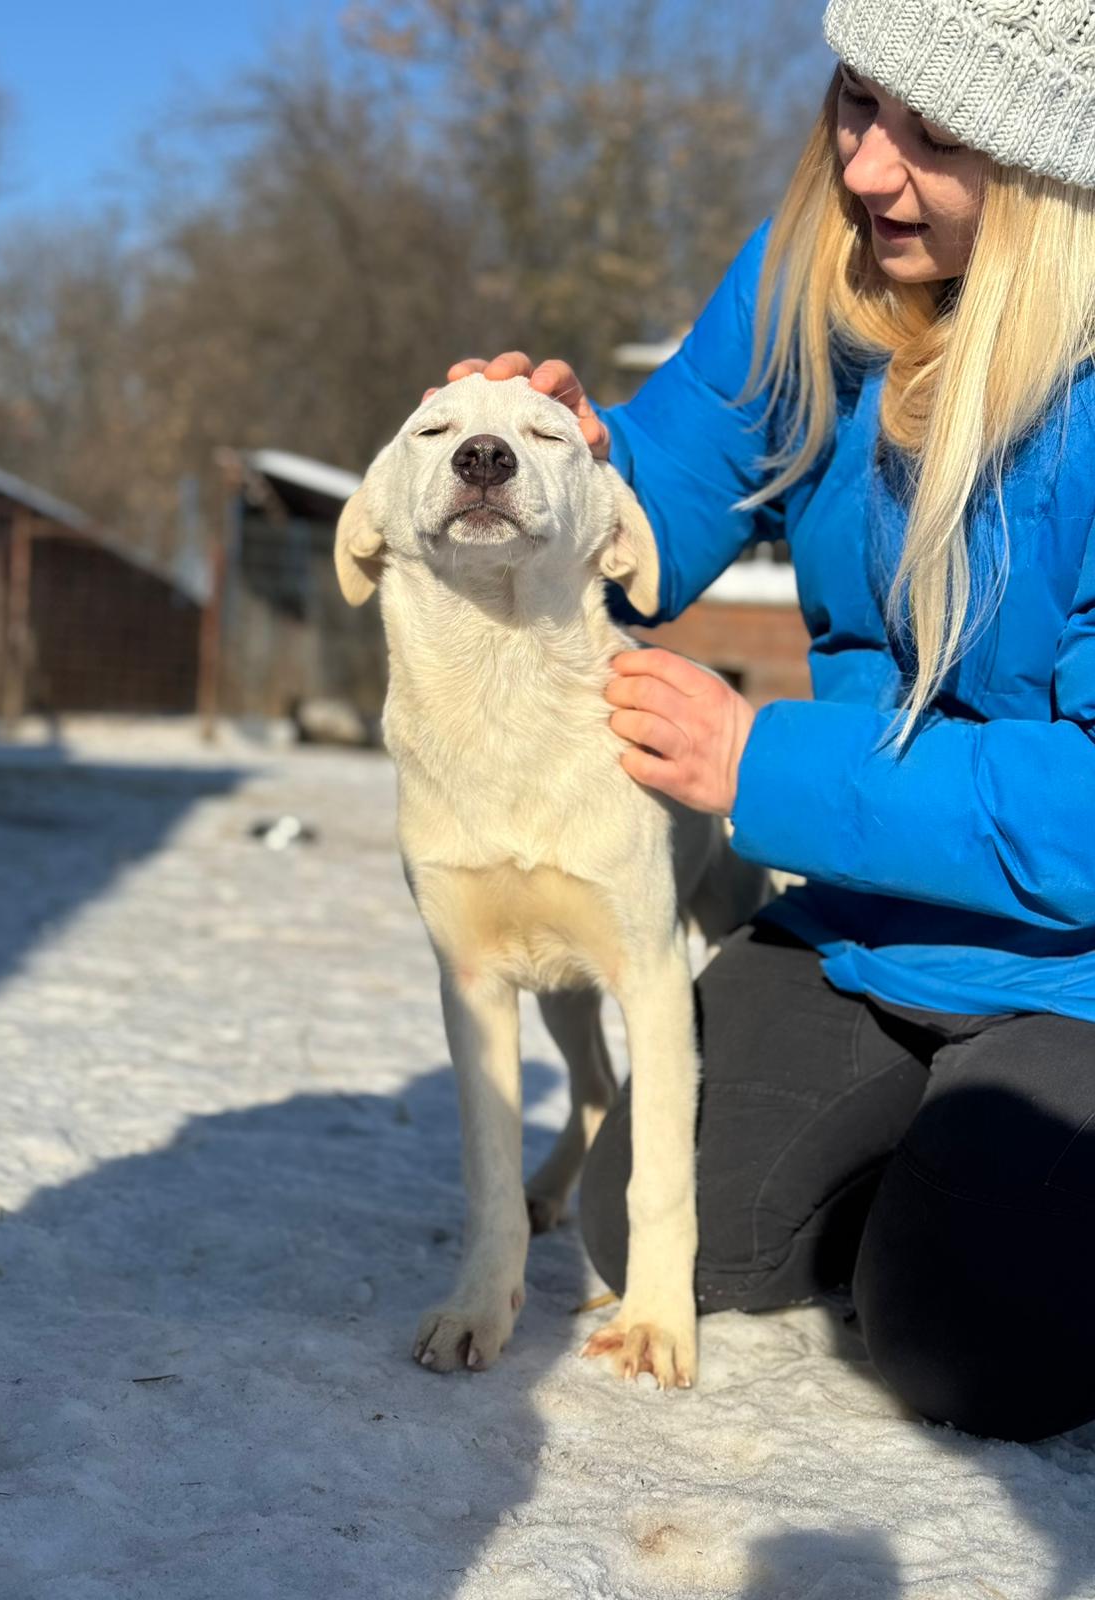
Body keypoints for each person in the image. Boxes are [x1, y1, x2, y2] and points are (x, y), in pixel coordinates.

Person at [437, 0, 1095, 1443]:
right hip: (869, 918)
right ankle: (931, 1168)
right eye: (857, 98)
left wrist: (759, 763)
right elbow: (664, 494)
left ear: (1056, 177)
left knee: (972, 1340)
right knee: (650, 1227)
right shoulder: (819, 264)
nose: (864, 167)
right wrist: (558, 464)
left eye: (935, 134)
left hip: (1076, 973)